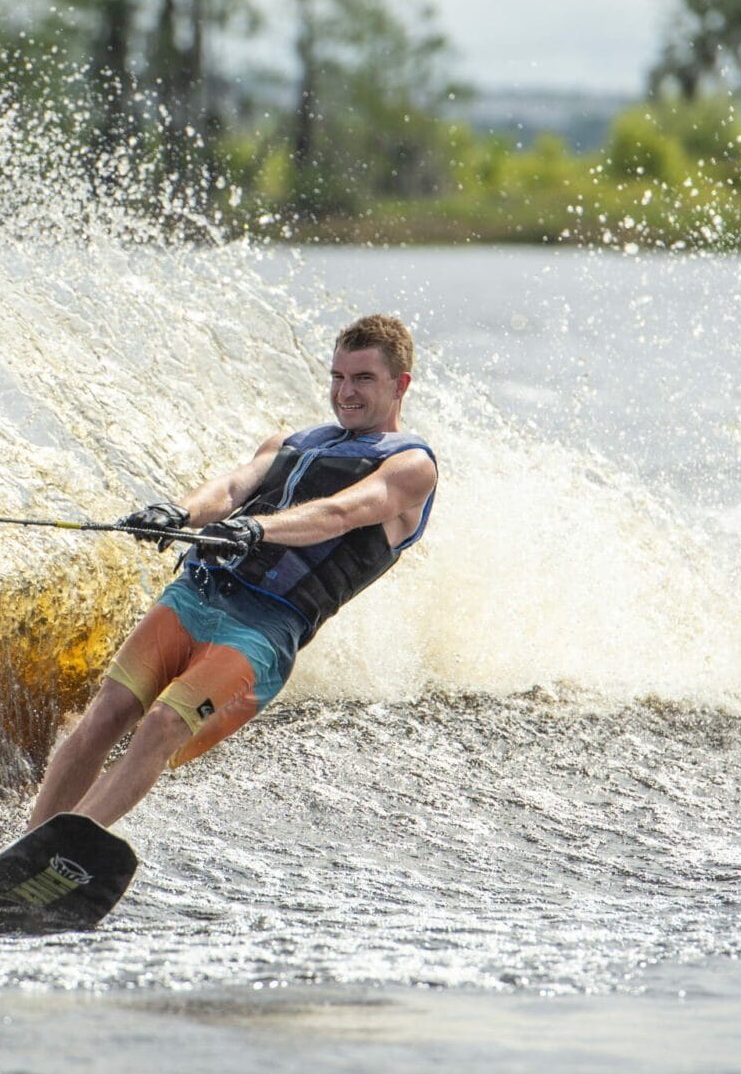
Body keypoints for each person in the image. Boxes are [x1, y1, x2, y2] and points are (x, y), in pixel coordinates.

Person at [25, 314, 438, 831]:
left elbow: (342, 514)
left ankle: (60, 845)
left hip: (261, 630)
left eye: (363, 379)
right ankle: (25, 846)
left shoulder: (409, 467)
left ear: (400, 385)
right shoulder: (291, 440)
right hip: (195, 594)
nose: (344, 392)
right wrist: (177, 513)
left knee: (162, 725)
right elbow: (231, 490)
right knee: (107, 712)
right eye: (337, 377)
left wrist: (256, 531)